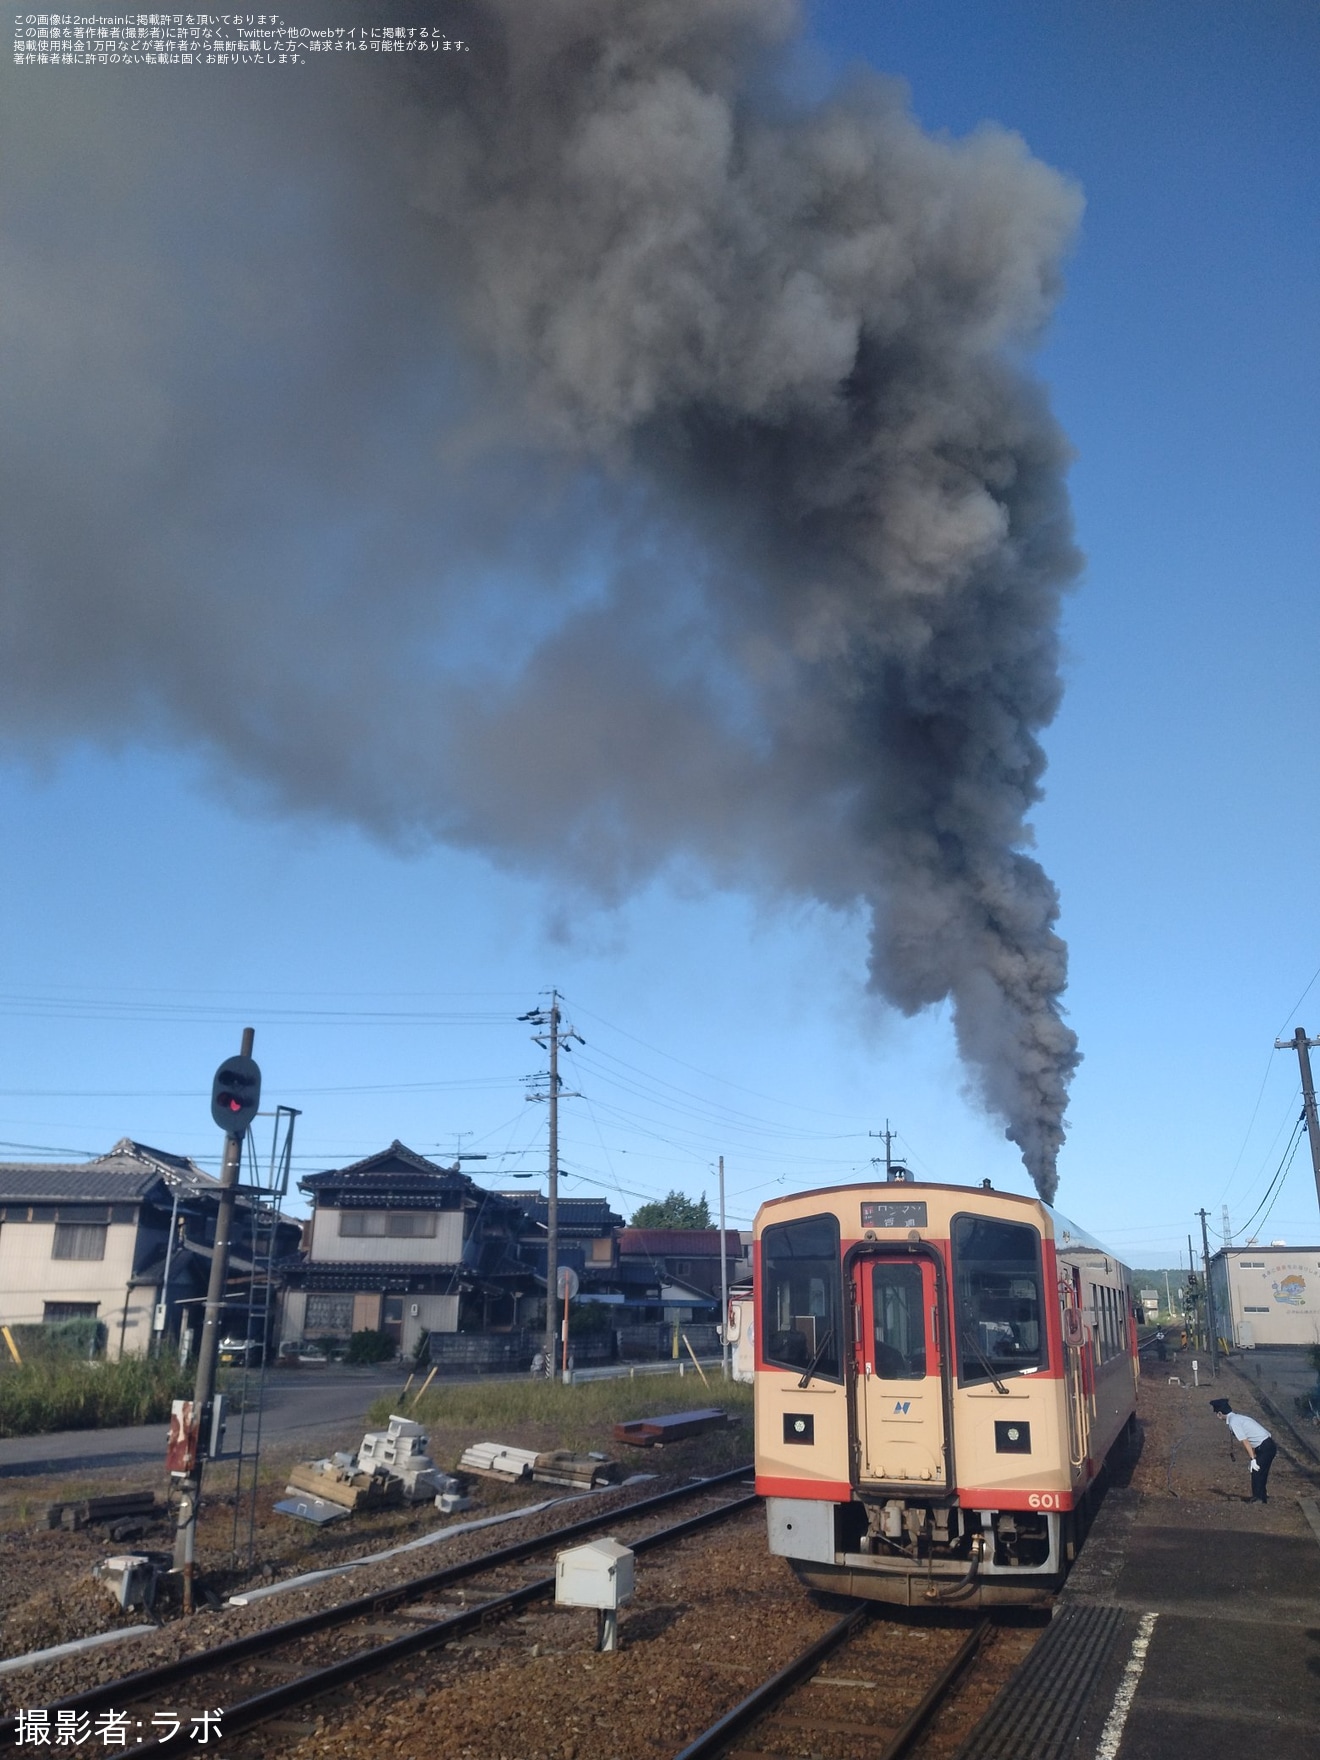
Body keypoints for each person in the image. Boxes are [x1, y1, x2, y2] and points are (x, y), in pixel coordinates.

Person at [1209, 1398, 1277, 1503]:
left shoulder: (1233, 1422)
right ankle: (1262, 1496)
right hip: (1267, 1445)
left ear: (1219, 1413)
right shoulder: (1238, 1418)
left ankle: (1258, 1498)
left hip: (1265, 1446)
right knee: (1261, 1471)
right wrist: (1253, 1457)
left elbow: (1245, 1441)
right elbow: (1251, 1440)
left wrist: (1253, 1459)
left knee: (1257, 1472)